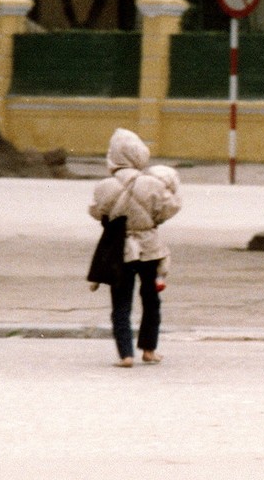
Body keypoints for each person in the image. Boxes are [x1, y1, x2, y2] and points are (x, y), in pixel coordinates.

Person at [89, 128, 181, 368]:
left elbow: (97, 211)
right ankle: (149, 350)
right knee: (151, 300)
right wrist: (152, 222)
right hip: (150, 248)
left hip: (120, 250)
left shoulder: (105, 186)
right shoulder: (153, 183)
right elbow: (169, 208)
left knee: (121, 302)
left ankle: (126, 355)